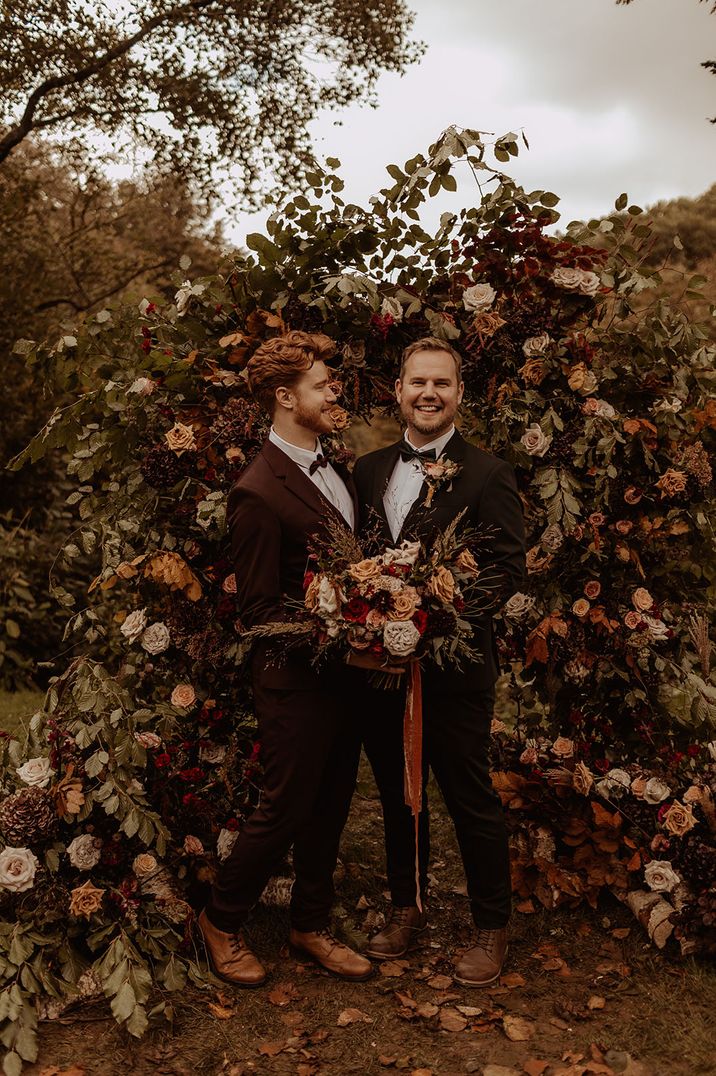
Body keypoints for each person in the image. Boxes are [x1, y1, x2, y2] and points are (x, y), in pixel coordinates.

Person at [198, 330, 372, 985]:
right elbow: (258, 612)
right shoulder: (257, 491)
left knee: (331, 804)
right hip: (294, 682)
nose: (334, 392)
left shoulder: (339, 466)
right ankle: (221, 921)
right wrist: (345, 630)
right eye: (323, 384)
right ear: (283, 395)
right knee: (285, 808)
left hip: (349, 678)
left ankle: (310, 925)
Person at [352, 336, 526, 986]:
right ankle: (407, 906)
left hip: (455, 673)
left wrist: (435, 618)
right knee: (402, 795)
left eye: (442, 384)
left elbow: (507, 568)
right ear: (398, 390)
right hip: (382, 670)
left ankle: (492, 924)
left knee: (467, 795)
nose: (429, 394)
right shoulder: (368, 470)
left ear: (459, 395)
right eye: (418, 382)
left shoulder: (488, 474)